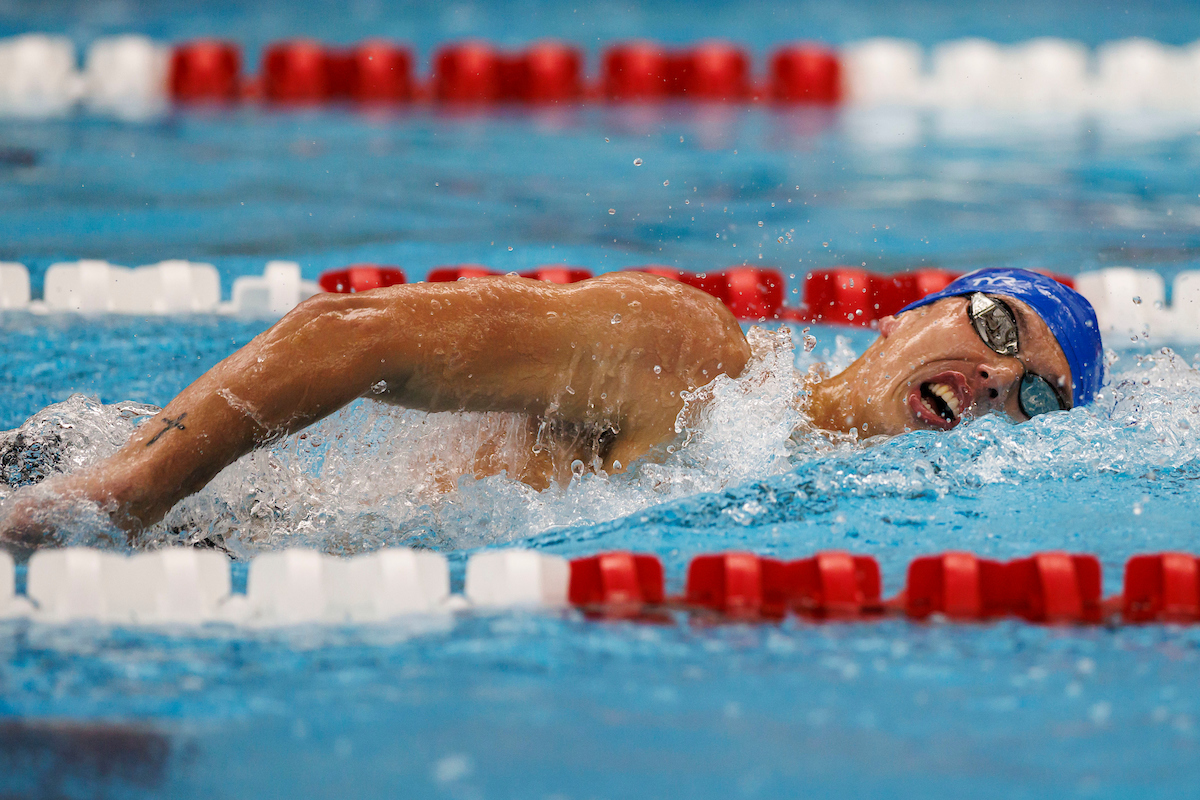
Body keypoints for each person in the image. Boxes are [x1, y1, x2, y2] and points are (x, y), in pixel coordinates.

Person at [0, 267, 1102, 549]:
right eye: (998, 330)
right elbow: (347, 336)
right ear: (909, 314)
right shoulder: (694, 357)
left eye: (1036, 397)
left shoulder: (793, 473)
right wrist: (124, 495)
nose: (999, 378)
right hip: (149, 512)